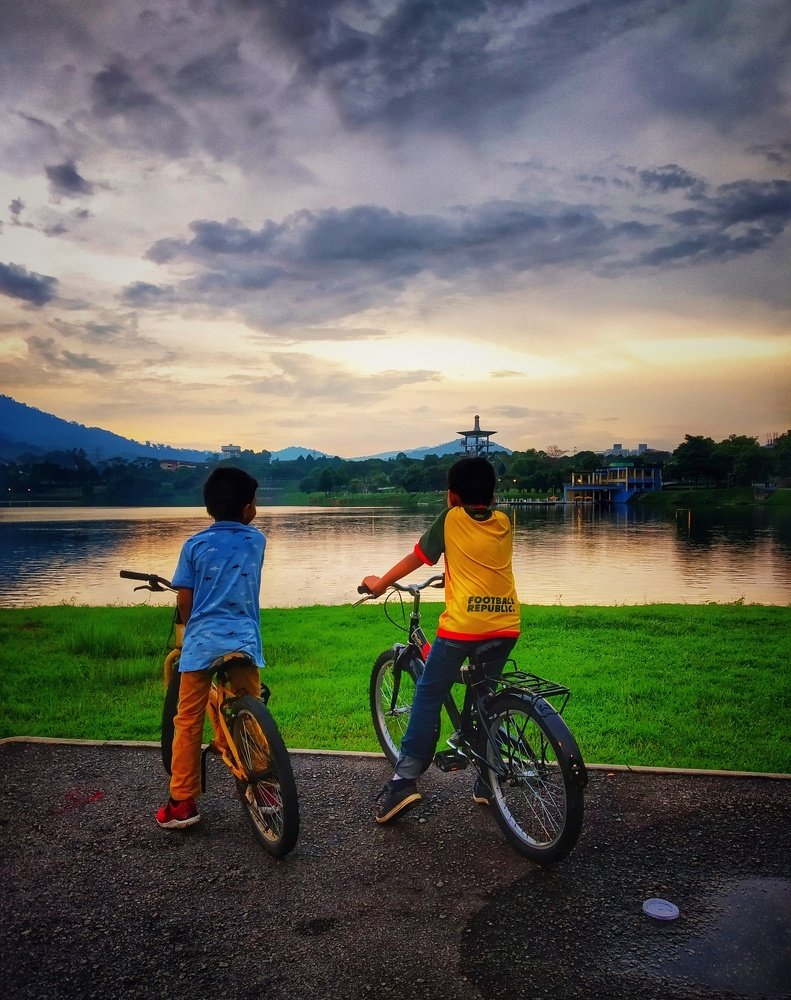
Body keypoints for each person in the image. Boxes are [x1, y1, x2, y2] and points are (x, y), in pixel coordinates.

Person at [361, 456, 520, 824]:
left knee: (429, 693)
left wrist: (379, 584)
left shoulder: (450, 519)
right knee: (484, 696)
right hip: (507, 624)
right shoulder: (504, 521)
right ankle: (487, 780)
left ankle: (403, 783)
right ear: (493, 496)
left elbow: (418, 557)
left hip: (464, 627)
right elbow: (482, 560)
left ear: (451, 496)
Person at [156, 466, 266, 830]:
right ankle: (263, 790)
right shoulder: (256, 541)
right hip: (243, 640)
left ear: (208, 509)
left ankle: (182, 803)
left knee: (187, 721)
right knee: (251, 713)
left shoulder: (194, 545)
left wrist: (193, 625)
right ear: (248, 508)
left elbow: (185, 599)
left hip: (202, 642)